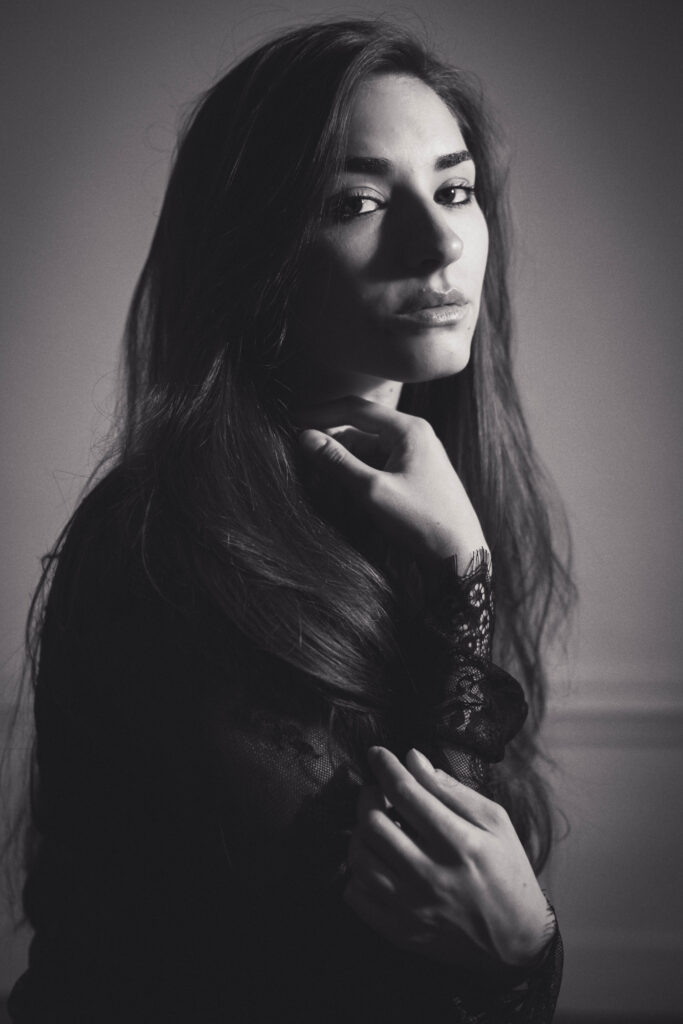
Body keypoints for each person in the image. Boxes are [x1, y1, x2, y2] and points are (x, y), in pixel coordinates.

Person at [7, 18, 575, 1023]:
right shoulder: (163, 544)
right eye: (356, 202)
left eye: (453, 190)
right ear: (254, 247)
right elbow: (394, 946)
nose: (440, 241)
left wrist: (524, 958)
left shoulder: (443, 501)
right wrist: (462, 581)